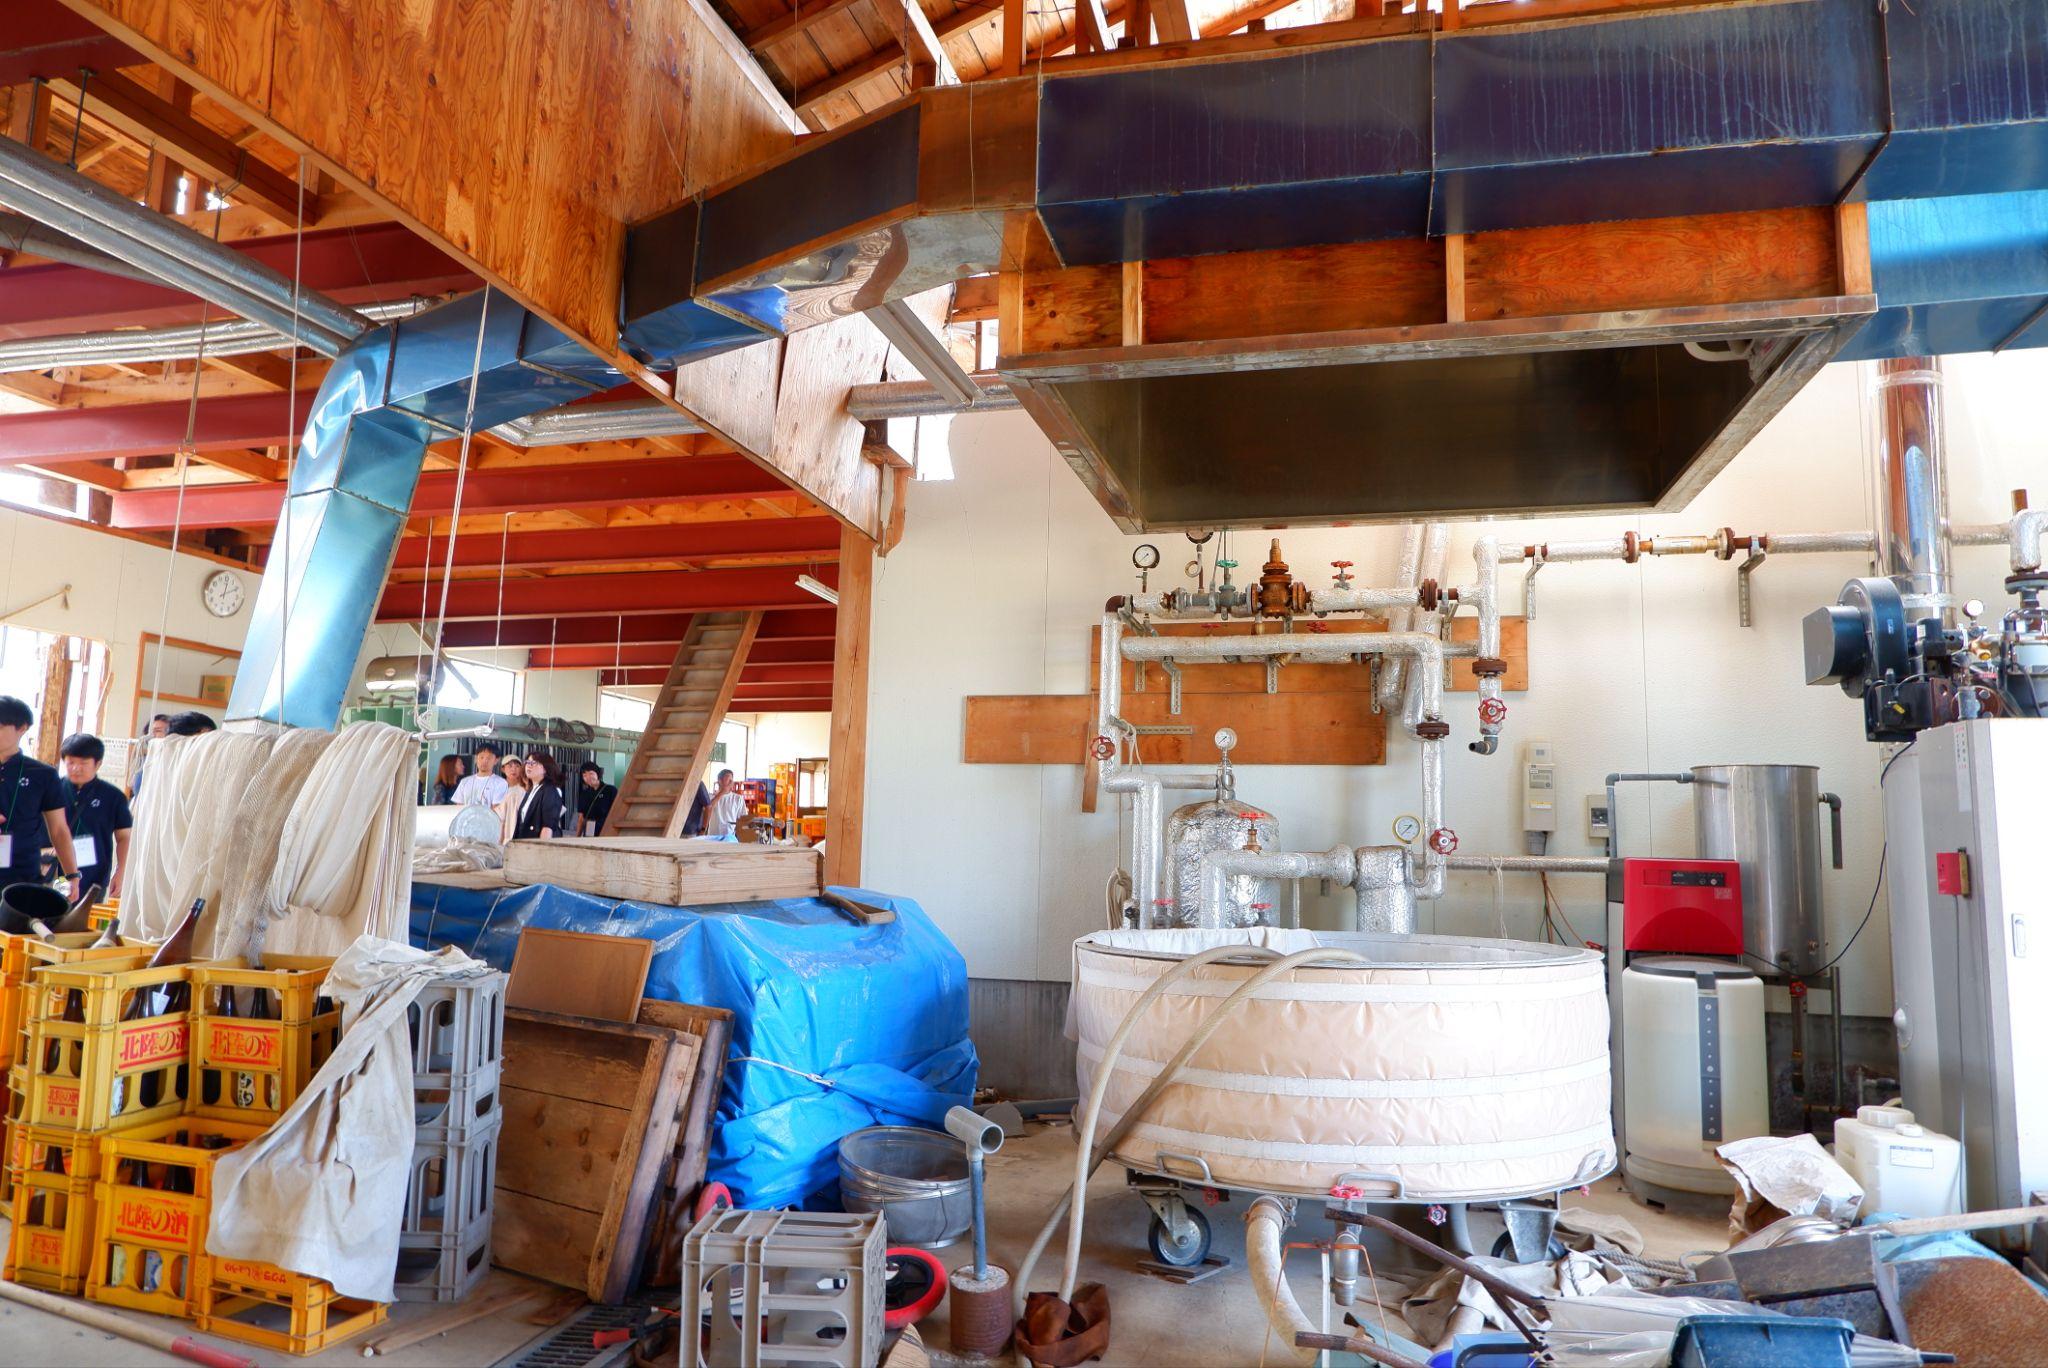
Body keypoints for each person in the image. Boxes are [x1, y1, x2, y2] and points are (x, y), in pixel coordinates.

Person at [0, 696, 80, 894]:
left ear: (22, 728)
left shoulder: (43, 774)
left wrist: (71, 876)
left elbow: (58, 830)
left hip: (22, 876)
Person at [58, 733, 132, 900]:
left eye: (83, 763)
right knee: (55, 910)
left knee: (85, 915)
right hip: (58, 871)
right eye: (71, 762)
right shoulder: (53, 790)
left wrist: (121, 871)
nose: (76, 768)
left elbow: (124, 837)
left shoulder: (113, 796)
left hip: (94, 875)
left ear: (97, 764)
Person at [512, 754, 566, 841]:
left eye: (534, 763)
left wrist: (541, 847)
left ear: (545, 768)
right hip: (524, 843)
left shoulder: (550, 790)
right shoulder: (531, 790)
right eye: (527, 762)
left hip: (537, 844)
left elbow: (548, 826)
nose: (529, 765)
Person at [451, 743, 509, 808]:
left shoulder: (500, 783)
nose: (484, 761)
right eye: (481, 757)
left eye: (488, 758)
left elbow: (497, 809)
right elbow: (458, 806)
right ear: (476, 759)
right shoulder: (464, 781)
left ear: (496, 760)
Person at [494, 755, 530, 845]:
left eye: (517, 766)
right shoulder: (498, 788)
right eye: (510, 766)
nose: (513, 769)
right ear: (503, 769)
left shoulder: (524, 789)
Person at [705, 769, 749, 841]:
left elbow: (743, 820)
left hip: (730, 839)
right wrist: (722, 792)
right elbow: (708, 808)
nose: (731, 783)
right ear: (720, 781)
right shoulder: (711, 797)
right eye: (729, 780)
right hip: (713, 838)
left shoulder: (738, 799)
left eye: (732, 780)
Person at [575, 762, 616, 836]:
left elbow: (616, 813)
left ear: (597, 774)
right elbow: (581, 818)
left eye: (591, 773)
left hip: (606, 831)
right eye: (584, 775)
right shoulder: (584, 794)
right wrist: (577, 837)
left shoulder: (610, 790)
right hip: (589, 830)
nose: (588, 777)